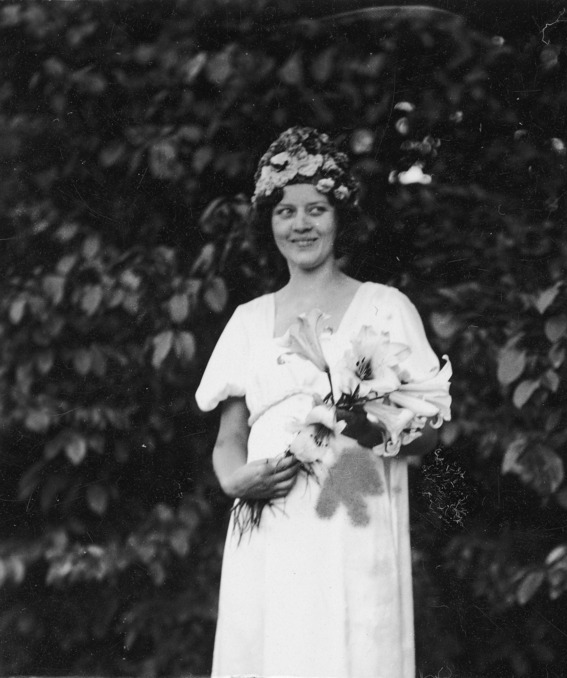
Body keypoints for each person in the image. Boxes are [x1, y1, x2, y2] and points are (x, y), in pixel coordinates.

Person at [195, 127, 450, 678]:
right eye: (285, 210)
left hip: (352, 525)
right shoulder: (248, 321)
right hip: (270, 522)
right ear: (269, 222)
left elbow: (429, 433)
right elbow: (228, 441)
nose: (301, 224)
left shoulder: (385, 307)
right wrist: (233, 481)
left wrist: (369, 422)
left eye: (316, 208)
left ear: (340, 216)